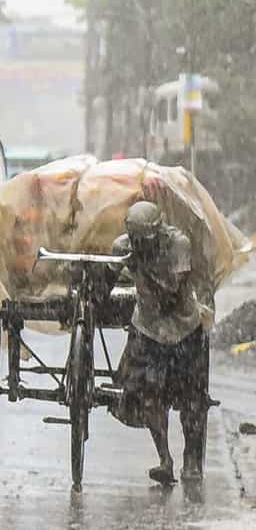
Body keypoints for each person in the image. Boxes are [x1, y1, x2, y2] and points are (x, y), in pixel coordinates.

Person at [112, 200, 208, 485]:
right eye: (136, 241)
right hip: (148, 328)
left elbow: (171, 294)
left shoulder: (178, 245)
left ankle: (192, 461)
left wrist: (141, 264)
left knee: (192, 399)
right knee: (150, 396)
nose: (140, 246)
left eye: (145, 242)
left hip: (183, 329)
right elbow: (105, 281)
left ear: (158, 233)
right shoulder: (124, 246)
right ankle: (164, 458)